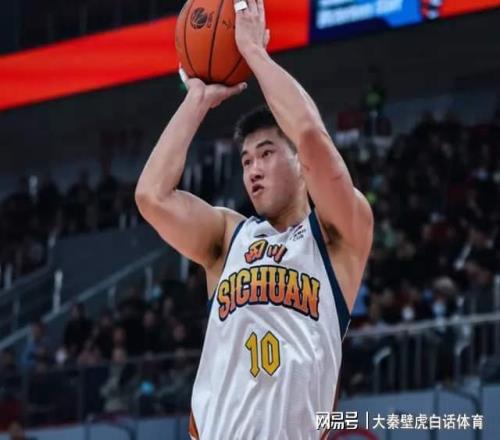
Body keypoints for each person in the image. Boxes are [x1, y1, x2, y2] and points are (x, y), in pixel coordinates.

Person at [135, 1, 373, 438]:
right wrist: (196, 101)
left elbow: (310, 136)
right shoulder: (229, 237)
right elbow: (152, 197)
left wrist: (255, 55)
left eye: (266, 154)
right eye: (246, 161)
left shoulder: (337, 236)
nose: (253, 170)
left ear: (300, 163)